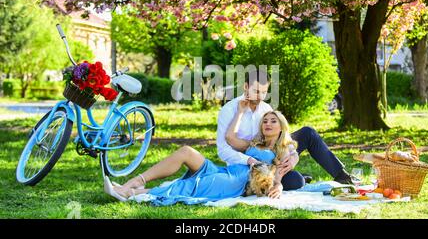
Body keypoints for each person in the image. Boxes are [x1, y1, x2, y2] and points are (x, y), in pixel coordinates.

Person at [104, 108, 295, 205]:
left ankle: (130, 193)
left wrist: (278, 186)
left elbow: (279, 175)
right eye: (265, 121)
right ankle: (135, 182)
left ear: (281, 127)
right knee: (186, 151)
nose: (268, 124)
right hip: (225, 170)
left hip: (237, 182)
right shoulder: (254, 143)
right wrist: (239, 112)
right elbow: (230, 137)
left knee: (188, 186)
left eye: (273, 121)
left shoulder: (282, 149)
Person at [216, 68, 358, 191]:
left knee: (307, 133)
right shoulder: (229, 110)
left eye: (264, 92)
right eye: (256, 91)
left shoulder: (266, 108)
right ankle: (295, 178)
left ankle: (342, 176)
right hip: (248, 166)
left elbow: (281, 136)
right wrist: (251, 160)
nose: (260, 97)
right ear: (246, 86)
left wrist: (293, 155)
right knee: (295, 181)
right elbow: (223, 150)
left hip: (273, 154)